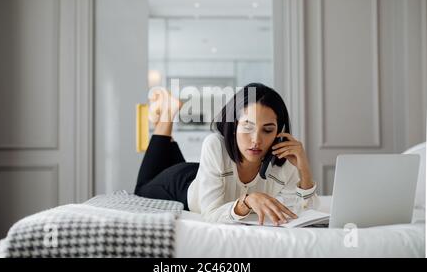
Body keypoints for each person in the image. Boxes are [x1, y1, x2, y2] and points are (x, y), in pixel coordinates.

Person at [134, 83, 319, 225]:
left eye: (268, 130)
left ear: (279, 131)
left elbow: (307, 213)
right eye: (248, 127)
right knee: (141, 189)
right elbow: (211, 214)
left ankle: (167, 122)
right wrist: (246, 202)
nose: (256, 140)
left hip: (206, 175)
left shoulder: (284, 158)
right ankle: (167, 112)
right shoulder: (215, 144)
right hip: (182, 184)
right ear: (234, 125)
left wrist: (304, 168)